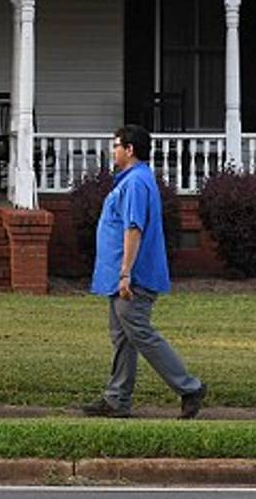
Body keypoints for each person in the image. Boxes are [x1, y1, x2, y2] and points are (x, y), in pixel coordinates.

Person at [81, 124, 207, 419]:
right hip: (120, 276)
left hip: (132, 277)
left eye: (115, 146)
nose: (112, 151)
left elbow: (133, 228)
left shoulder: (136, 182)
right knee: (122, 337)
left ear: (130, 149)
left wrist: (125, 273)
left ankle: (189, 387)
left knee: (140, 332)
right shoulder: (130, 180)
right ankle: (116, 400)